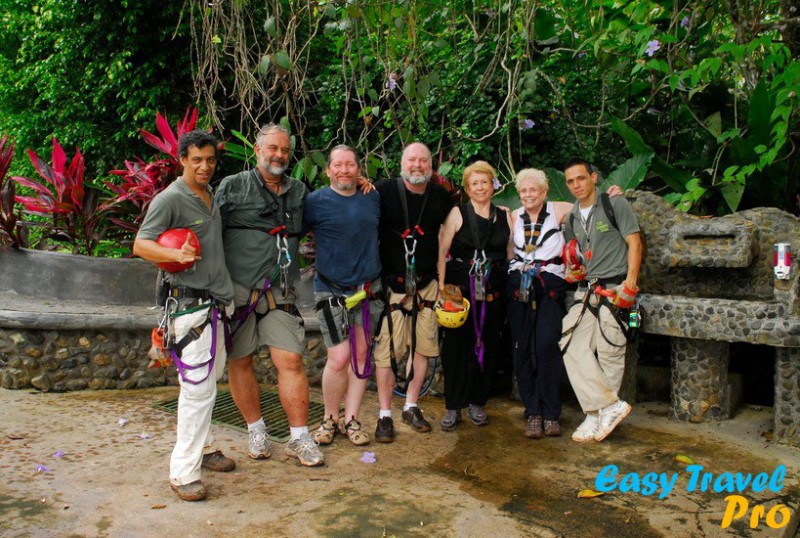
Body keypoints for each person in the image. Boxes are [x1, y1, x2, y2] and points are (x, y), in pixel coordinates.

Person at [133, 130, 235, 502]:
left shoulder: (210, 196)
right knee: (197, 389)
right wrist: (173, 256)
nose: (204, 166)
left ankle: (205, 450)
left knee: (207, 383)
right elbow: (141, 243)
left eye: (209, 159)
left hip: (216, 304)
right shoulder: (170, 199)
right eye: (197, 160)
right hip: (189, 308)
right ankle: (183, 473)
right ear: (182, 160)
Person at [215, 123, 323, 467]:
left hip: (281, 291)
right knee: (240, 360)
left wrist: (361, 188)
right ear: (257, 151)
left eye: (285, 150)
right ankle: (256, 429)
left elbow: (331, 211)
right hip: (238, 292)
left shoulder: (299, 192)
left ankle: (299, 438)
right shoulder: (233, 187)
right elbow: (209, 231)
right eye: (272, 148)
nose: (279, 155)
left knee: (290, 360)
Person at [507, 170, 623, 440]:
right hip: (520, 284)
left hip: (549, 285)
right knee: (521, 346)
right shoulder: (512, 215)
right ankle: (533, 412)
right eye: (523, 191)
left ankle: (551, 413)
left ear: (544, 191)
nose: (528, 195)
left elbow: (589, 206)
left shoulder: (557, 209)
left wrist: (612, 197)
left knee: (548, 344)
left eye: (533, 190)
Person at [304, 145, 383, 446]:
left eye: (350, 165)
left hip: (367, 290)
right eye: (338, 165)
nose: (344, 170)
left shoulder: (372, 196)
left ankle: (351, 419)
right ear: (328, 171)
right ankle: (329, 418)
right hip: (330, 289)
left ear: (359, 170)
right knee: (338, 358)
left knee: (361, 357)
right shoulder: (315, 201)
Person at [559, 157, 642, 443]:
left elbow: (635, 242)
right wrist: (574, 269)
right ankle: (604, 407)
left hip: (617, 286)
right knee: (570, 343)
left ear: (594, 177)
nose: (575, 185)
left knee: (610, 350)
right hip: (588, 289)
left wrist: (630, 282)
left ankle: (597, 414)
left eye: (580, 178)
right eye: (570, 181)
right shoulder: (571, 217)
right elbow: (577, 255)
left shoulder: (613, 204)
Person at [373, 142, 452, 442]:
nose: (417, 165)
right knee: (388, 353)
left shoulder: (441, 197)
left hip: (427, 285)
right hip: (393, 287)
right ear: (401, 163)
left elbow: (460, 222)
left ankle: (410, 405)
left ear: (431, 166)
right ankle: (384, 414)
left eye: (423, 161)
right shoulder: (382, 191)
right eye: (412, 160)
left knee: (424, 349)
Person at [437, 161, 511, 430]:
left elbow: (511, 254)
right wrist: (442, 289)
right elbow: (442, 252)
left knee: (488, 344)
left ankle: (477, 401)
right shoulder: (458, 213)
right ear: (467, 188)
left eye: (485, 182)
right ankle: (453, 406)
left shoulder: (504, 215)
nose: (480, 188)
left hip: (492, 288)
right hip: (458, 289)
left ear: (493, 185)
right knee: (456, 347)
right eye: (474, 183)